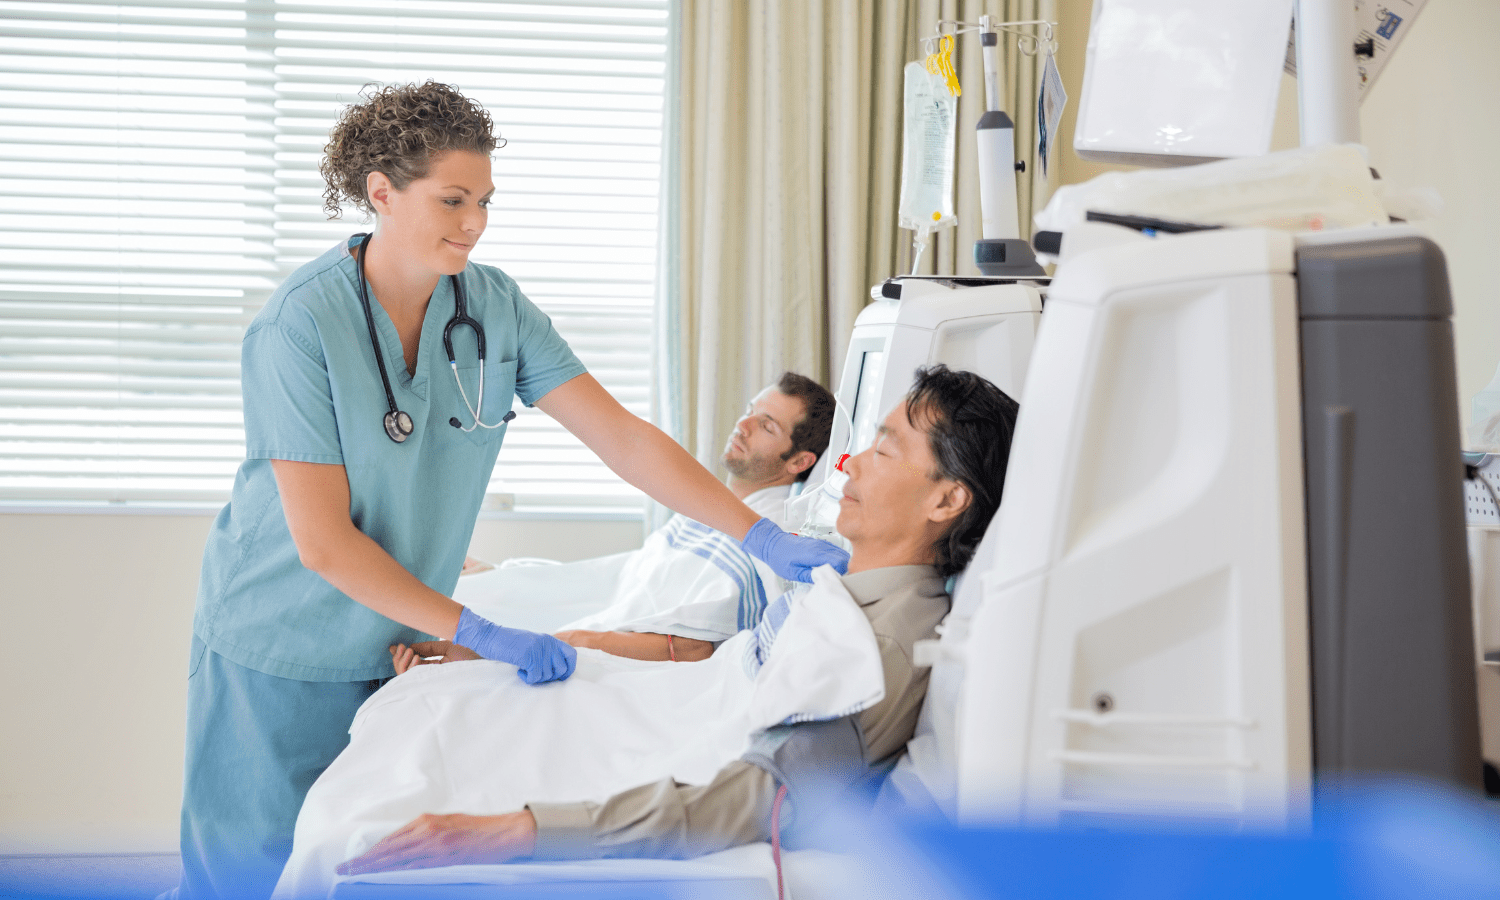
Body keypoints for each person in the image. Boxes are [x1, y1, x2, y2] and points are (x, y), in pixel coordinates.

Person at [167, 81, 845, 900]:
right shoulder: (299, 326)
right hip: (278, 639)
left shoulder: (492, 308)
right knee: (246, 875)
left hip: (394, 633)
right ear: (380, 192)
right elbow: (323, 543)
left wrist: (757, 533)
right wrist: (479, 629)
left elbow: (623, 439)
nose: (475, 223)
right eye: (453, 200)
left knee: (348, 863)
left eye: (485, 200)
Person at [330, 364, 1020, 875]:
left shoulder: (881, 648)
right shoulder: (843, 587)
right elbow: (717, 668)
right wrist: (492, 653)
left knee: (378, 802)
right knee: (431, 713)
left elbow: (753, 799)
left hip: (665, 745)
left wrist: (521, 830)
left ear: (946, 501)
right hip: (654, 706)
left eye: (886, 449)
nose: (850, 462)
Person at [415, 372, 837, 667]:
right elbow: (633, 577)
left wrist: (573, 640)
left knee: (445, 633)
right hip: (604, 606)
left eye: (766, 425)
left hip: (609, 635)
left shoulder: (772, 536)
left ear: (800, 460)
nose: (741, 425)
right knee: (470, 587)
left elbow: (695, 645)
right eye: (749, 410)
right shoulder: (709, 506)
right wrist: (511, 575)